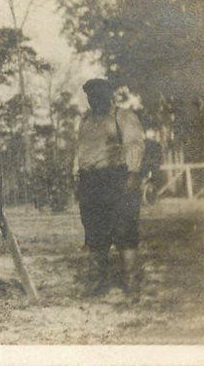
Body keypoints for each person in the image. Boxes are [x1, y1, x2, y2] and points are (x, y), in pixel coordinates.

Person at [74, 78, 145, 302]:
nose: (94, 99)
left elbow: (135, 144)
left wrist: (133, 174)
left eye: (98, 94)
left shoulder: (122, 116)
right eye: (90, 95)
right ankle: (97, 284)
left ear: (109, 95)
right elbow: (80, 150)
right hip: (91, 182)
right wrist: (77, 176)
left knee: (125, 232)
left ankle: (131, 285)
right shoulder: (85, 120)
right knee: (95, 234)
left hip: (117, 179)